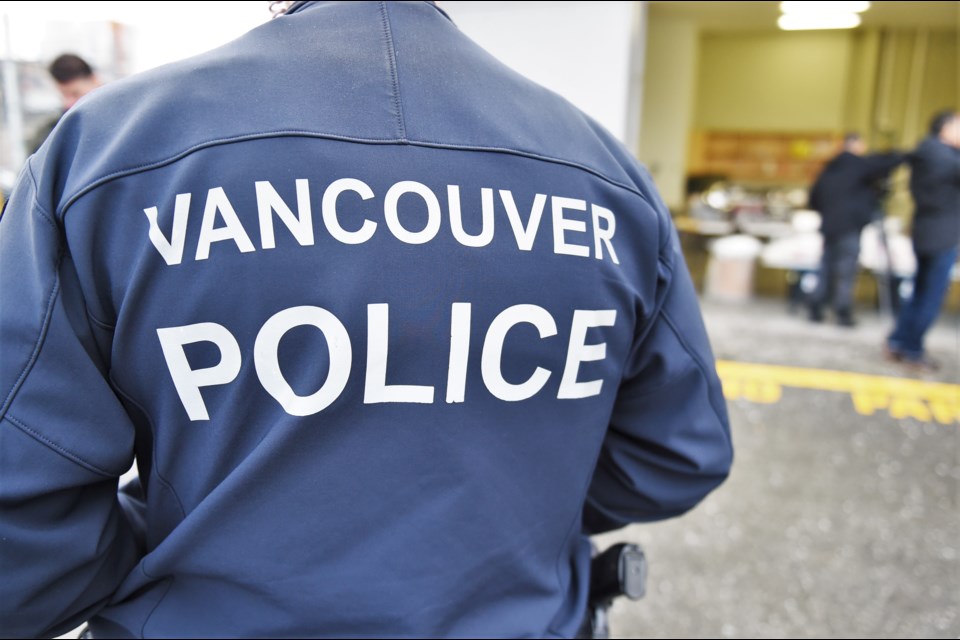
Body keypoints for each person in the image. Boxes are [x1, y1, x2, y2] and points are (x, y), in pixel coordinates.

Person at [0, 2, 732, 637]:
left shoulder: (107, 153)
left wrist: (170, 535)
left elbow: (19, 525)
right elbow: (675, 456)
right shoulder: (606, 177)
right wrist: (507, 516)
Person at [886, 110, 960, 370]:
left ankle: (897, 341)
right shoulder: (946, 158)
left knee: (919, 291)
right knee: (930, 296)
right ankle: (912, 349)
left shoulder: (926, 153)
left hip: (924, 231)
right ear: (945, 128)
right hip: (943, 236)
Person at [807, 133, 903, 326]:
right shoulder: (859, 165)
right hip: (849, 226)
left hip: (829, 225)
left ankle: (816, 308)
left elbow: (814, 198)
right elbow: (885, 165)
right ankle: (842, 312)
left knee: (825, 267)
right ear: (857, 145)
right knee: (846, 269)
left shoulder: (830, 168)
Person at [26, 53, 102, 154]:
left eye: (75, 94)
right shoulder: (52, 132)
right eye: (63, 95)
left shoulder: (122, 118)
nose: (69, 103)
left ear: (94, 80)